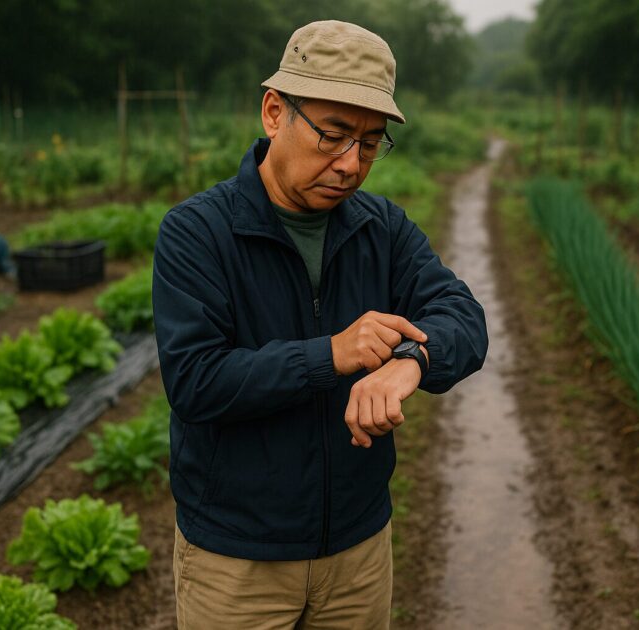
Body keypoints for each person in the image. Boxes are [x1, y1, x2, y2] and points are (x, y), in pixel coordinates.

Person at [152, 19, 487, 629]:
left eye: (369, 143)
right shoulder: (197, 233)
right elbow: (196, 382)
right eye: (332, 135)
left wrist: (411, 362)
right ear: (275, 113)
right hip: (237, 560)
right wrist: (332, 353)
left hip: (358, 550)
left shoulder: (379, 229)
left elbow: (463, 316)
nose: (350, 163)